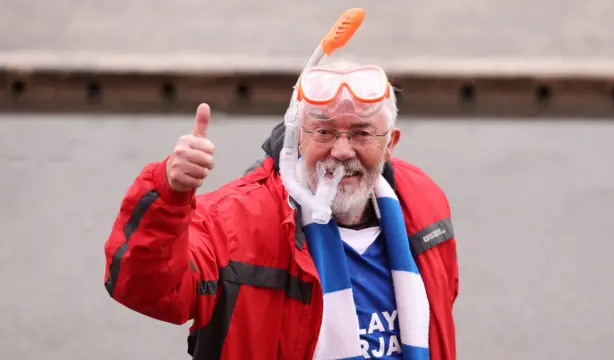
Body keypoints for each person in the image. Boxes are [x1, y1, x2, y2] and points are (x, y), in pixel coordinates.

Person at [103, 60, 459, 360]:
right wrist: (170, 192)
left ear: (390, 143)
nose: (341, 151)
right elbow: (146, 290)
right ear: (297, 138)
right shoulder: (231, 222)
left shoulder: (424, 203)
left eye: (362, 133)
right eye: (324, 131)